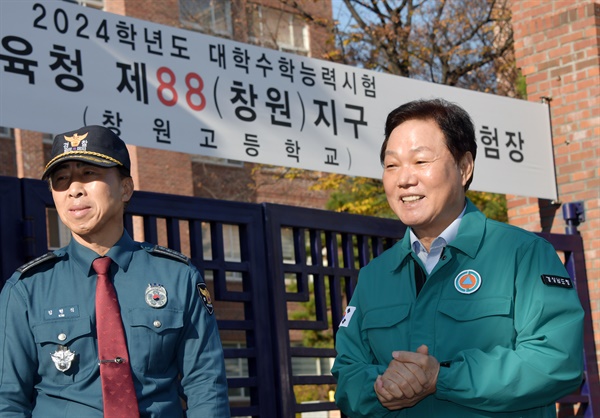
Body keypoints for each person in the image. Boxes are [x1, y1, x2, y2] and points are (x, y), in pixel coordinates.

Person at [331, 98, 584, 417]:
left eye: (420, 161)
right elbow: (347, 375)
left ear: (464, 168)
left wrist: (443, 378)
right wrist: (382, 387)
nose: (404, 179)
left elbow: (556, 360)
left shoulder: (523, 254)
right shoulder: (374, 276)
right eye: (391, 165)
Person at [0, 125, 231, 417]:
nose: (74, 189)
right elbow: (8, 401)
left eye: (88, 174)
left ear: (125, 188)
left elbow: (205, 387)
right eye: (61, 180)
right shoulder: (27, 288)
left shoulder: (177, 277)